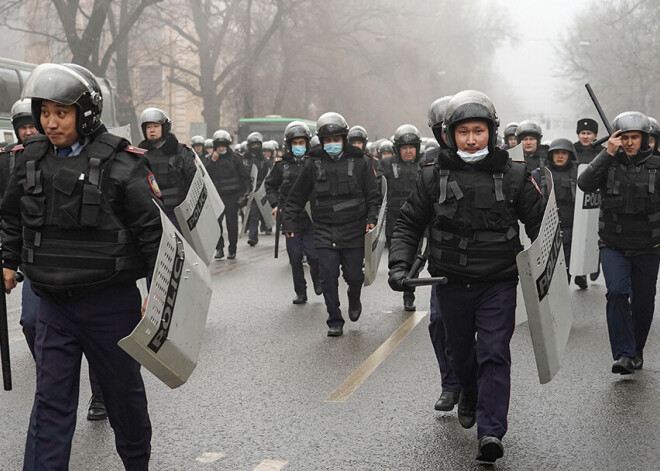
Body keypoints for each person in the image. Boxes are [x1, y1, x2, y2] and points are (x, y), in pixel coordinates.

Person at [1, 62, 162, 470]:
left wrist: (157, 294)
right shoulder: (27, 160)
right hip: (54, 305)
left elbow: (152, 234)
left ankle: (137, 463)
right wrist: (8, 260)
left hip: (111, 305)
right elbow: (12, 217)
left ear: (86, 113)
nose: (50, 123)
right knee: (50, 406)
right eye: (44, 112)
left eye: (61, 112)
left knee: (123, 399)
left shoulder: (123, 164)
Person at [388, 90, 544, 464]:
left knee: (494, 352)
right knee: (460, 355)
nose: (471, 139)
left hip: (499, 283)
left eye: (478, 131)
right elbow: (408, 224)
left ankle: (491, 431)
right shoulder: (430, 179)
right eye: (463, 132)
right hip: (451, 284)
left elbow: (542, 226)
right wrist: (398, 265)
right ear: (449, 136)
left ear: (491, 132)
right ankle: (468, 393)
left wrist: (550, 268)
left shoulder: (516, 176)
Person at [577, 111, 660, 375]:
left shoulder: (657, 165)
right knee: (616, 292)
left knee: (644, 302)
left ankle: (636, 350)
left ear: (645, 139)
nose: (630, 142)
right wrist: (606, 154)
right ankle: (623, 354)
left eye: (635, 137)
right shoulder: (607, 163)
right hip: (613, 244)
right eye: (625, 137)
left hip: (649, 246)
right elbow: (585, 184)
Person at [283, 112, 380, 337]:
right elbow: (296, 196)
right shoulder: (312, 164)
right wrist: (288, 221)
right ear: (321, 141)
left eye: (336, 139)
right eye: (327, 140)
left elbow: (372, 197)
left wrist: (371, 220)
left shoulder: (361, 162)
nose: (332, 144)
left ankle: (354, 298)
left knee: (354, 275)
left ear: (344, 139)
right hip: (325, 229)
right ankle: (334, 319)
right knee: (327, 276)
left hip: (354, 229)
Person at [424, 94, 460, 413]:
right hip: (443, 262)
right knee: (438, 322)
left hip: (487, 265)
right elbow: (414, 216)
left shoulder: (501, 165)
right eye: (446, 130)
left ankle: (474, 385)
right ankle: (450, 384)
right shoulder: (430, 169)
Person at [265, 121, 322, 303]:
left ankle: (317, 279)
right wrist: (275, 205)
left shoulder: (315, 163)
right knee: (295, 257)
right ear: (289, 145)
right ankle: (301, 292)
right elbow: (270, 185)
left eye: (301, 143)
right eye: (295, 143)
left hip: (311, 217)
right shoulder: (281, 165)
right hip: (290, 218)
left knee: (313, 255)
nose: (298, 147)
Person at [532, 138, 587, 289]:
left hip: (570, 228)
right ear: (551, 155)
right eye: (557, 153)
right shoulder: (539, 175)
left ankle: (563, 292)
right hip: (546, 227)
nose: (560, 156)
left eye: (564, 153)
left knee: (566, 266)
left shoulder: (579, 175)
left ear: (570, 155)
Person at [381, 124, 423, 311]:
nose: (408, 151)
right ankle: (401, 279)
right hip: (394, 223)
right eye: (404, 148)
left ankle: (409, 294)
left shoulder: (425, 166)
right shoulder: (387, 166)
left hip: (417, 221)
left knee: (415, 259)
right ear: (397, 149)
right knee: (399, 258)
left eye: (411, 147)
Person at [138, 107, 196, 227]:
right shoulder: (139, 154)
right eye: (148, 127)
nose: (152, 130)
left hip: (176, 215)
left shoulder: (180, 151)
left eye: (156, 126)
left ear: (164, 128)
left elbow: (193, 182)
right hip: (150, 215)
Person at [205, 129, 251, 260]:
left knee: (232, 224)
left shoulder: (235, 158)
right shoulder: (210, 159)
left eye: (223, 146)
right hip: (217, 196)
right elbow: (204, 175)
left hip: (232, 196)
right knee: (216, 224)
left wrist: (245, 194)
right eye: (219, 146)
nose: (221, 148)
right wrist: (212, 162)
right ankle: (219, 248)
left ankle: (232, 249)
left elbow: (244, 177)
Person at [243, 131, 270, 245]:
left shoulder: (264, 160)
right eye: (253, 145)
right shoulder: (245, 159)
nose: (255, 147)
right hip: (249, 189)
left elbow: (267, 175)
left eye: (257, 145)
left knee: (257, 213)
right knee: (250, 213)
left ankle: (257, 233)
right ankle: (251, 234)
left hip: (260, 190)